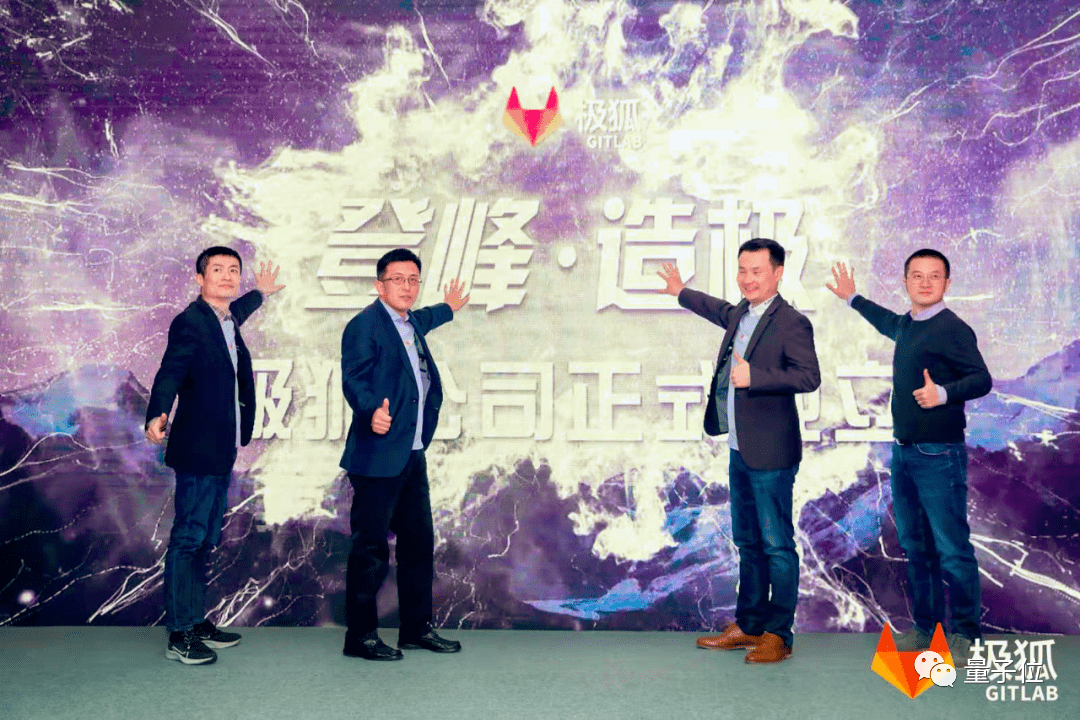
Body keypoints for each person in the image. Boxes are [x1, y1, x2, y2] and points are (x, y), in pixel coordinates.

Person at [658, 238, 820, 664]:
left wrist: (756, 377)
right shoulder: (741, 314)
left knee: (777, 546)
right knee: (748, 542)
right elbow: (716, 309)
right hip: (739, 448)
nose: (748, 279)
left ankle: (778, 635)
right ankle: (748, 626)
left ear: (777, 273)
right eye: (742, 270)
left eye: (757, 271)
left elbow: (809, 377)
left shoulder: (792, 323)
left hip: (772, 453)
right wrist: (680, 291)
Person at [827, 250, 991, 666]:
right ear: (905, 282)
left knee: (951, 548)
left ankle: (966, 635)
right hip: (904, 453)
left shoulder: (953, 328)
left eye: (934, 276)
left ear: (947, 283)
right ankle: (926, 629)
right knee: (917, 547)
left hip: (939, 453)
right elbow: (886, 321)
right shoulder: (907, 324)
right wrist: (852, 297)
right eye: (917, 275)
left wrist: (944, 394)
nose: (925, 282)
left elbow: (982, 379)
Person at [145, 246, 285, 665]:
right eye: (217, 270)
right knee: (188, 540)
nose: (227, 276)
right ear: (199, 279)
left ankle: (194, 620)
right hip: (197, 449)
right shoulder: (189, 322)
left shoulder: (225, 320)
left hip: (222, 448)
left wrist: (260, 293)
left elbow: (236, 311)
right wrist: (157, 412)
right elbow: (170, 370)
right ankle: (179, 634)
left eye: (233, 270)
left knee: (206, 539)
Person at [339, 248, 469, 661]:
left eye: (413, 279)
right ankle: (360, 637)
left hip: (411, 453)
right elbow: (354, 378)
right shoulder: (364, 326)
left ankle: (415, 630)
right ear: (380, 285)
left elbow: (426, 317)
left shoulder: (410, 320)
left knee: (418, 545)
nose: (407, 287)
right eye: (397, 279)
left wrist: (448, 307)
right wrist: (369, 411)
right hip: (377, 454)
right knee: (370, 551)